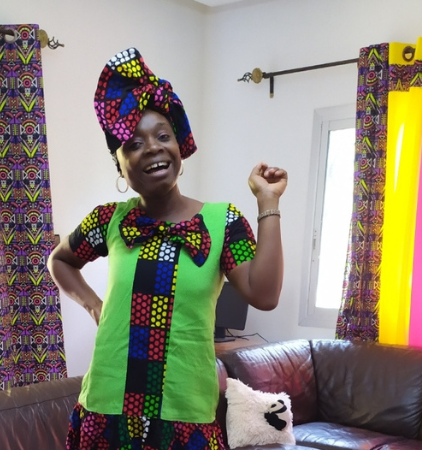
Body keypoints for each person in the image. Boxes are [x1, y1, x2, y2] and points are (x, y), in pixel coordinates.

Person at [48, 47, 287, 450]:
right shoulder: (110, 220)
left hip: (185, 412)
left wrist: (268, 202)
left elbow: (264, 295)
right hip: (108, 406)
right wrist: (94, 306)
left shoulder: (222, 222)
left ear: (180, 147)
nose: (153, 147)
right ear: (120, 164)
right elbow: (60, 261)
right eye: (134, 144)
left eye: (163, 136)